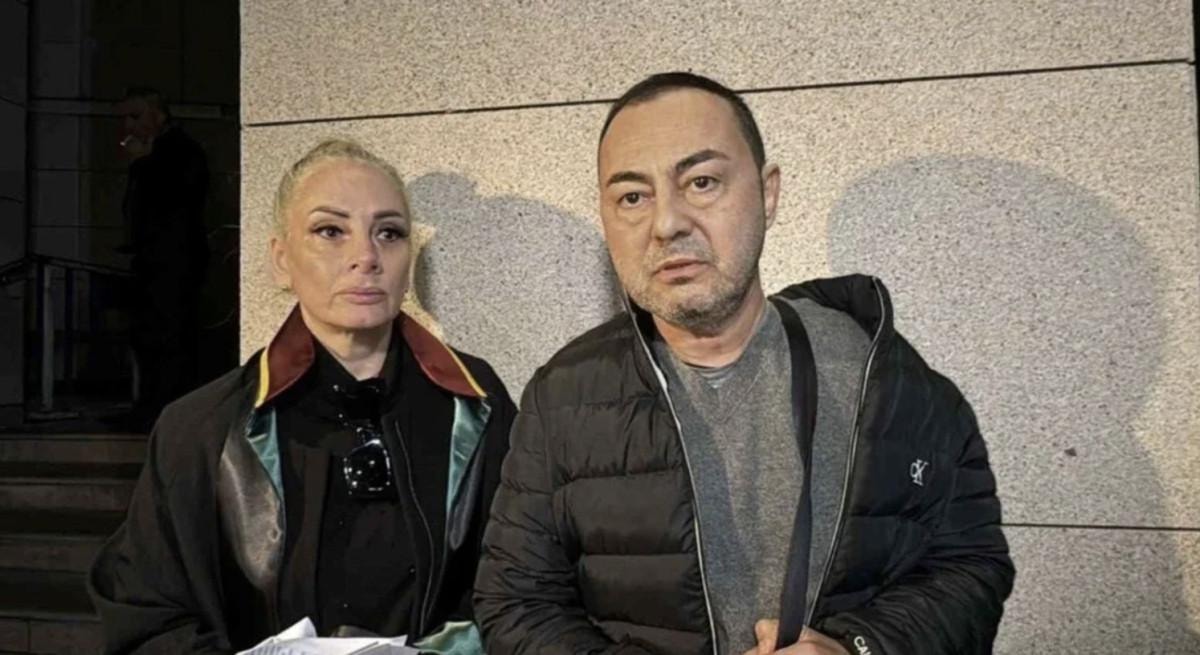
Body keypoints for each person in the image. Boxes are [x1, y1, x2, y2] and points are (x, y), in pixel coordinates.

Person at [474, 73, 1014, 655]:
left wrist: (858, 647)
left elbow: (969, 566)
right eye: (632, 197)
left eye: (701, 182)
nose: (666, 224)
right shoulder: (564, 395)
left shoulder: (881, 376)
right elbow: (515, 602)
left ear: (767, 193)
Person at [90, 139, 515, 653]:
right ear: (281, 259)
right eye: (330, 231)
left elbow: (523, 586)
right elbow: (146, 617)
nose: (366, 257)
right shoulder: (200, 428)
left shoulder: (477, 404)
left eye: (389, 233)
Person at [118, 86, 210, 428]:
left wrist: (141, 164)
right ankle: (152, 408)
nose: (128, 126)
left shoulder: (179, 152)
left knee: (167, 338)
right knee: (150, 338)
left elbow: (175, 199)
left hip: (172, 263)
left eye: (136, 116)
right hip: (156, 261)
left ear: (158, 115)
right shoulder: (164, 152)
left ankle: (163, 411)